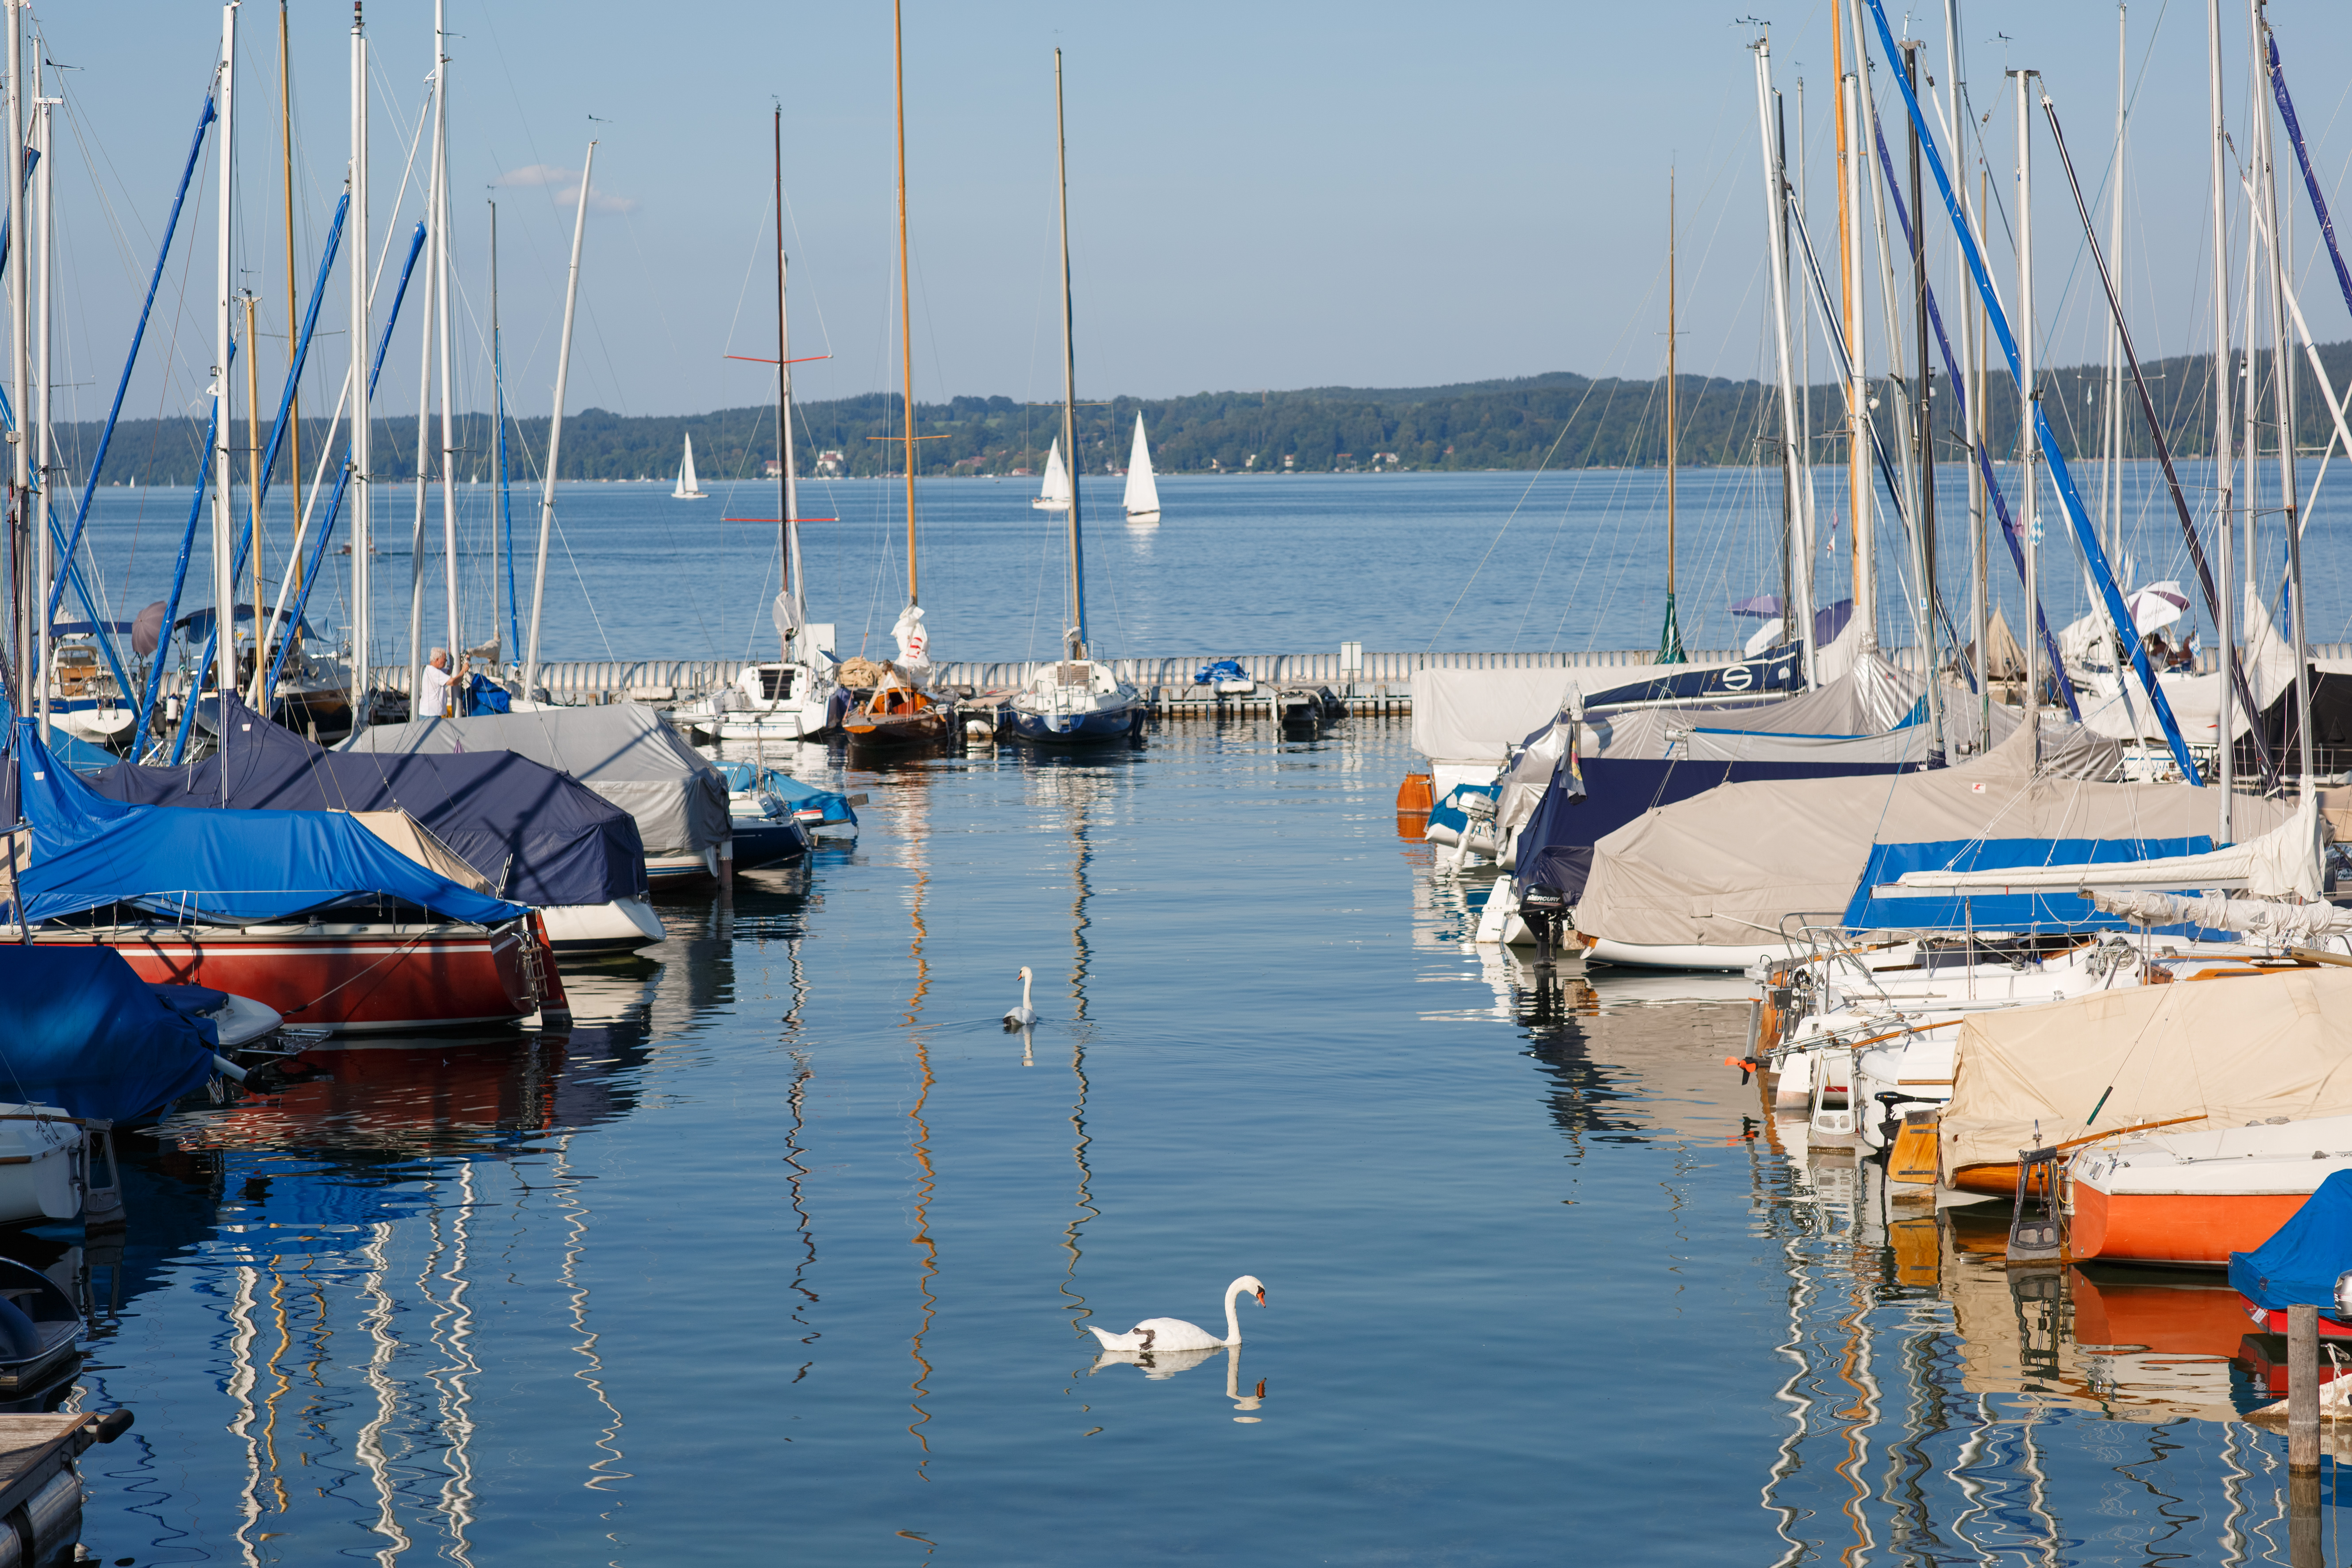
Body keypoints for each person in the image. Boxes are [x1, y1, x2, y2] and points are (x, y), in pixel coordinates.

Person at [418, 647, 456, 719]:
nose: (446, 662)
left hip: (431, 713)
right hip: (430, 714)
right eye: (444, 660)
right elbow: (453, 682)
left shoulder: (434, 670)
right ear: (437, 660)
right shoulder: (434, 672)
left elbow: (448, 672)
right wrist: (463, 670)